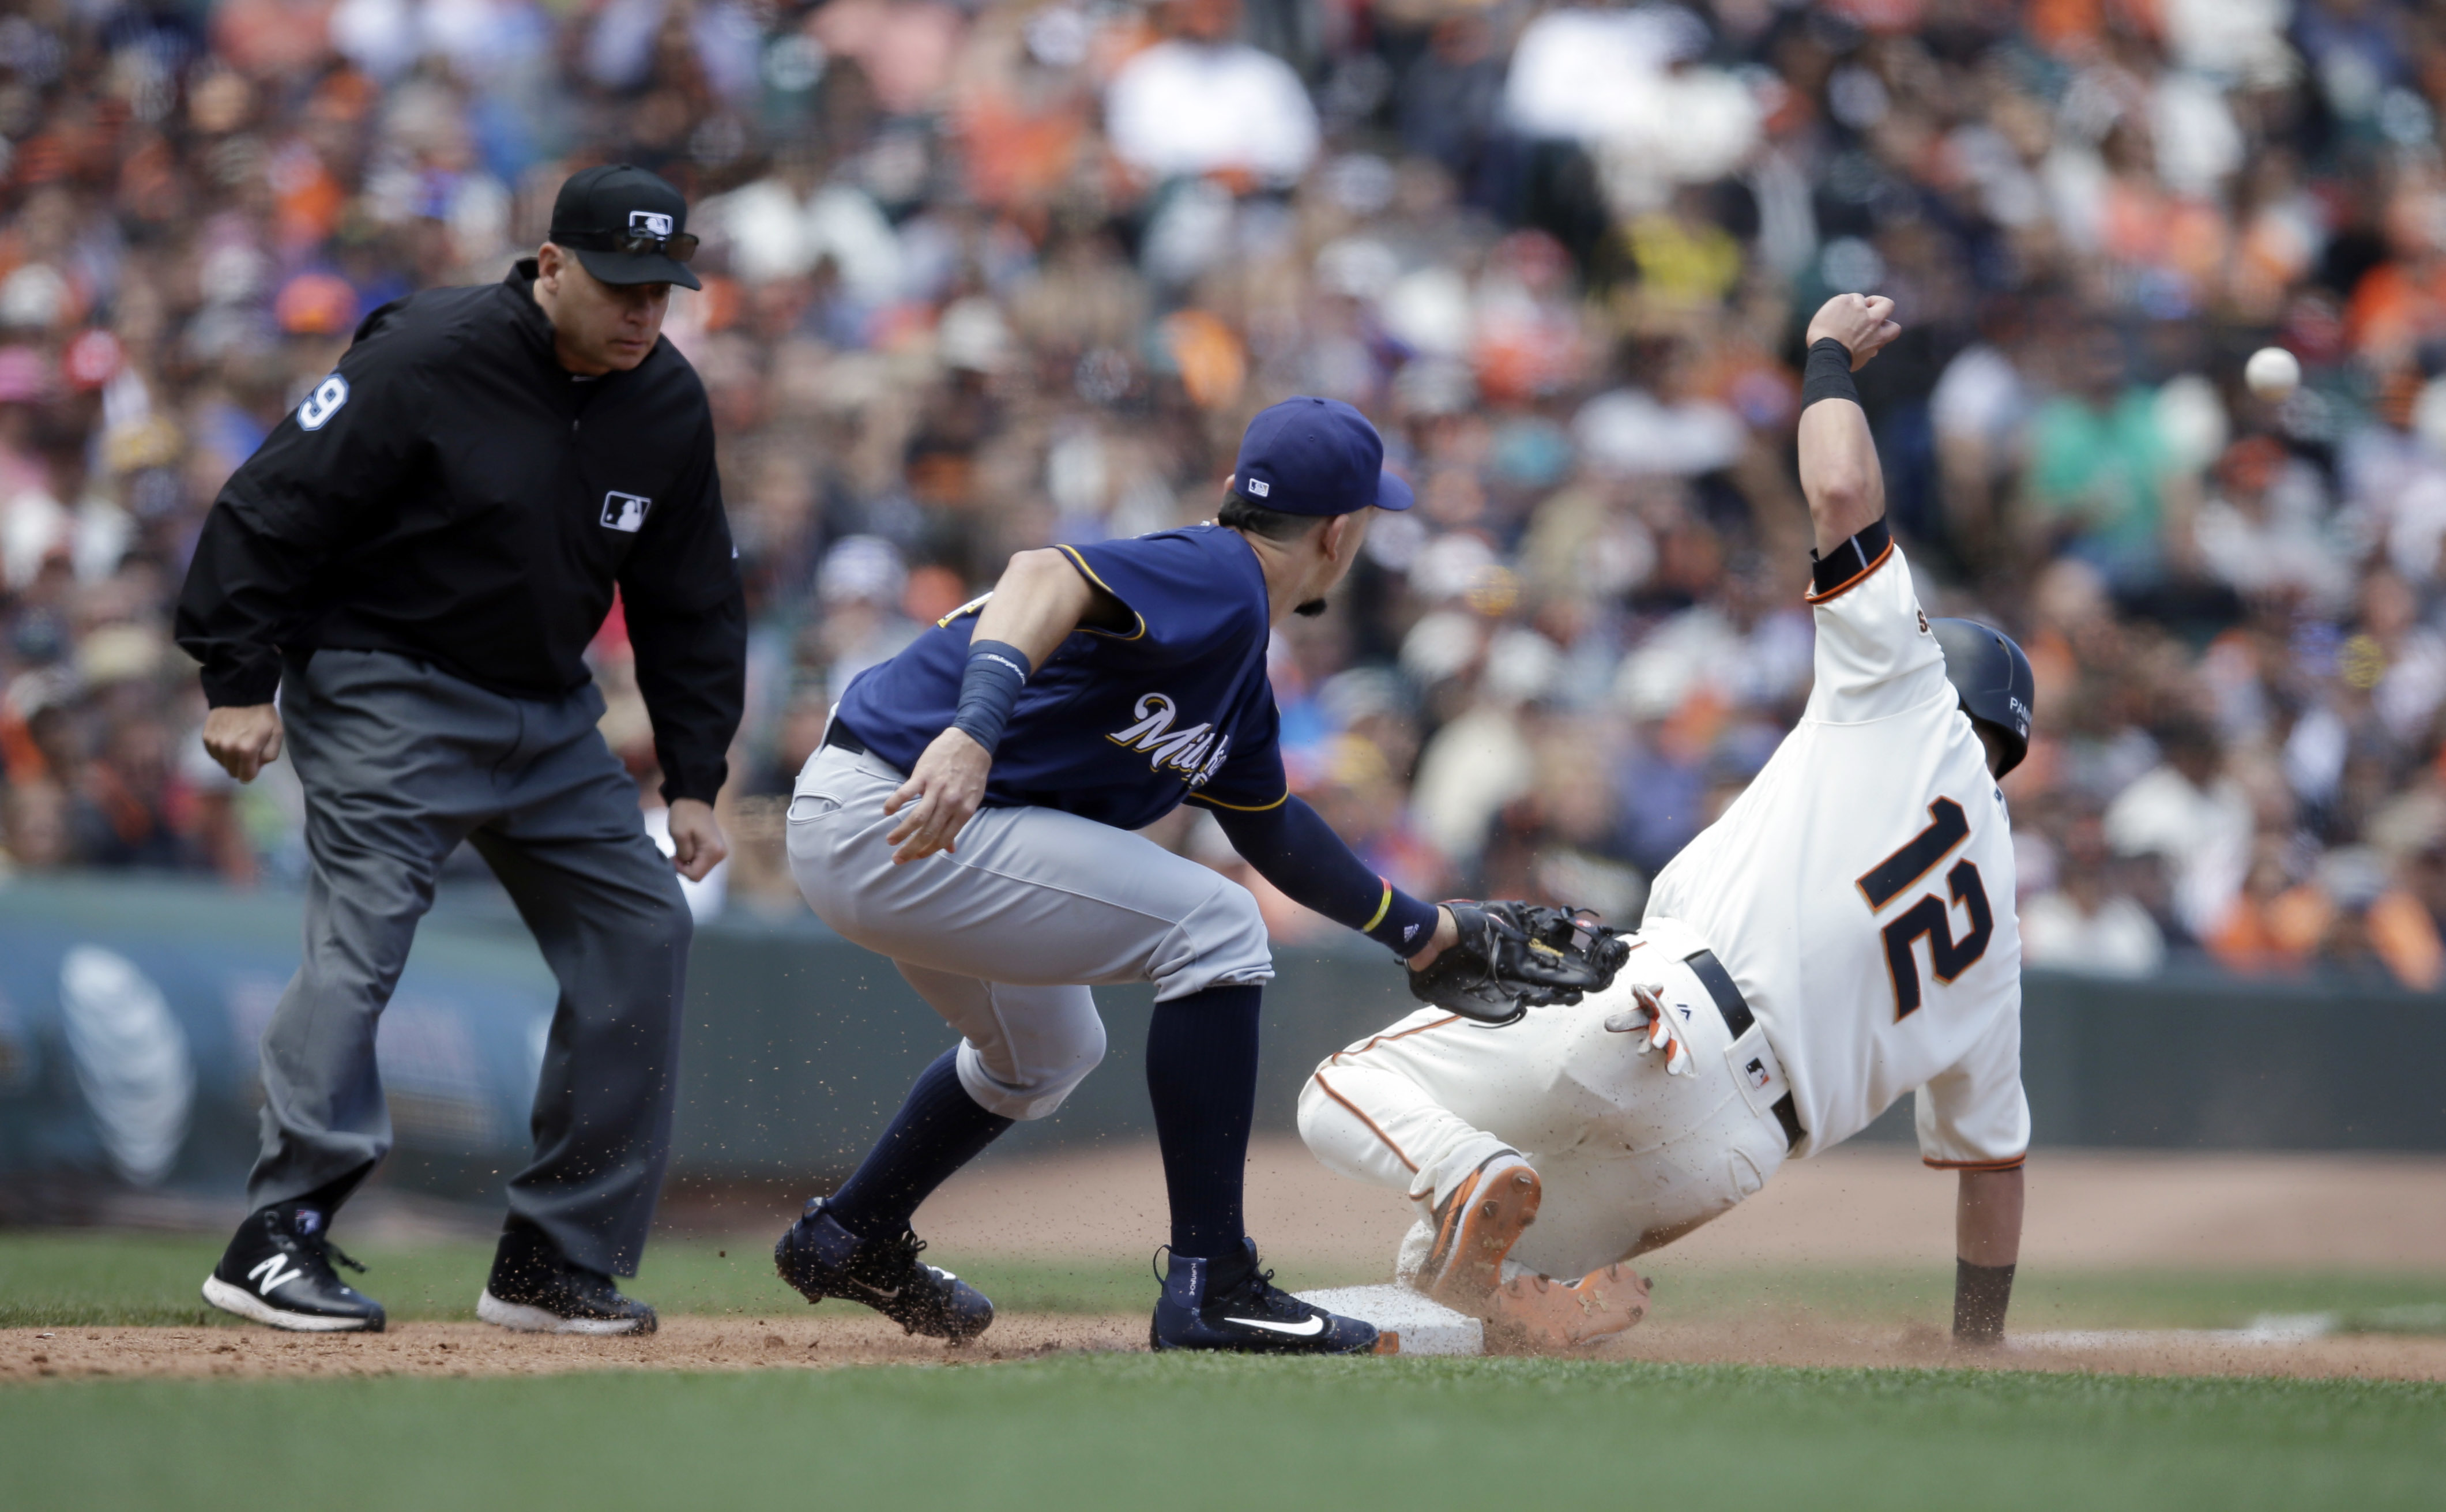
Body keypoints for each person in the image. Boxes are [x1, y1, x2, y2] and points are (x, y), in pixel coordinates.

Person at [1298, 295, 2035, 1353]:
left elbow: (1835, 487)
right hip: (1730, 1159)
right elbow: (1990, 1166)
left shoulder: (1906, 694)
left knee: (1340, 1091)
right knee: (1447, 1282)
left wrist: (1824, 356)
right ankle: (1534, 1270)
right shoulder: (1998, 928)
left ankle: (1472, 1176)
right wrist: (1976, 1342)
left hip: (1661, 1019)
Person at [174, 165, 746, 1336]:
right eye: (622, 284)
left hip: (545, 714)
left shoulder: (668, 404)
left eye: (663, 289)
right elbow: (267, 506)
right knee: (367, 932)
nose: (645, 310)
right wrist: (237, 679)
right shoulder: (430, 352)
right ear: (551, 268)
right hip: (385, 682)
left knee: (643, 929)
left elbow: (691, 602)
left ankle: (552, 1260)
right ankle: (278, 1236)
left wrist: (694, 776)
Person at [774, 396, 1461, 1355]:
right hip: (899, 804)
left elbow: (1272, 828)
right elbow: (1039, 572)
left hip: (891, 826)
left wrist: (1425, 932)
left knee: (1046, 1054)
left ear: (1234, 491)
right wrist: (973, 729)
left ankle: (849, 1234)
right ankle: (1212, 1280)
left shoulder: (1231, 671)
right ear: (1341, 535)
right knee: (1218, 927)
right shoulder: (1220, 574)